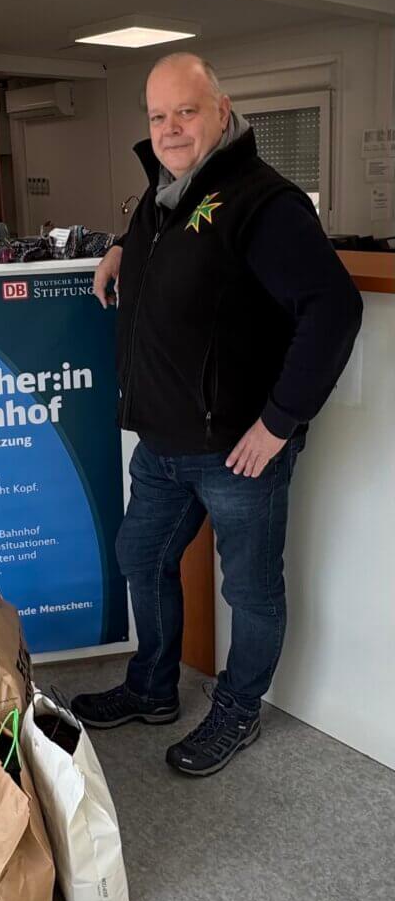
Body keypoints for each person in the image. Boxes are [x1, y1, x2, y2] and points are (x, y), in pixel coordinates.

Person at [71, 53, 362, 776]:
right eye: (158, 115)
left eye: (186, 111)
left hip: (238, 448)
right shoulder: (164, 193)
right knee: (142, 554)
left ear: (221, 111)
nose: (170, 128)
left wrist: (280, 422)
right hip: (163, 440)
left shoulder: (266, 202)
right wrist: (118, 249)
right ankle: (153, 688)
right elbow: (171, 257)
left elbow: (333, 309)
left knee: (251, 589)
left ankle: (238, 709)